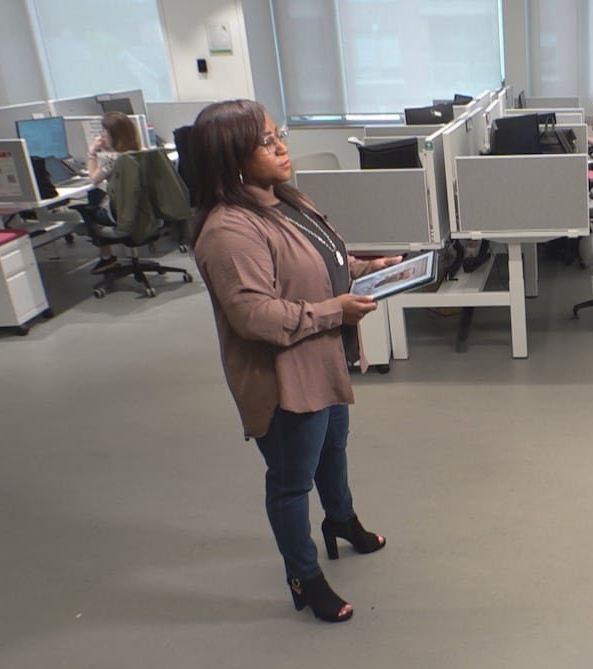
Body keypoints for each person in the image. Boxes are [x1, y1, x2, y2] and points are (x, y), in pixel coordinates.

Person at [189, 99, 404, 623]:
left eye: (277, 134)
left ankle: (341, 520)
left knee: (333, 450)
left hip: (323, 358)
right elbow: (254, 316)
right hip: (284, 378)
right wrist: (335, 311)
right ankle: (304, 577)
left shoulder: (285, 200)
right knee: (291, 482)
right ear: (231, 158)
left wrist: (371, 269)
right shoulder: (229, 231)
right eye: (265, 142)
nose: (281, 146)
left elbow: (323, 263)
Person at [85, 111, 142, 273]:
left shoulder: (113, 160)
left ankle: (107, 257)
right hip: (142, 211)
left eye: (104, 131)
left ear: (114, 135)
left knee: (93, 195)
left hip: (121, 214)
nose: (102, 135)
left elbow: (93, 179)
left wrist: (92, 153)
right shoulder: (142, 154)